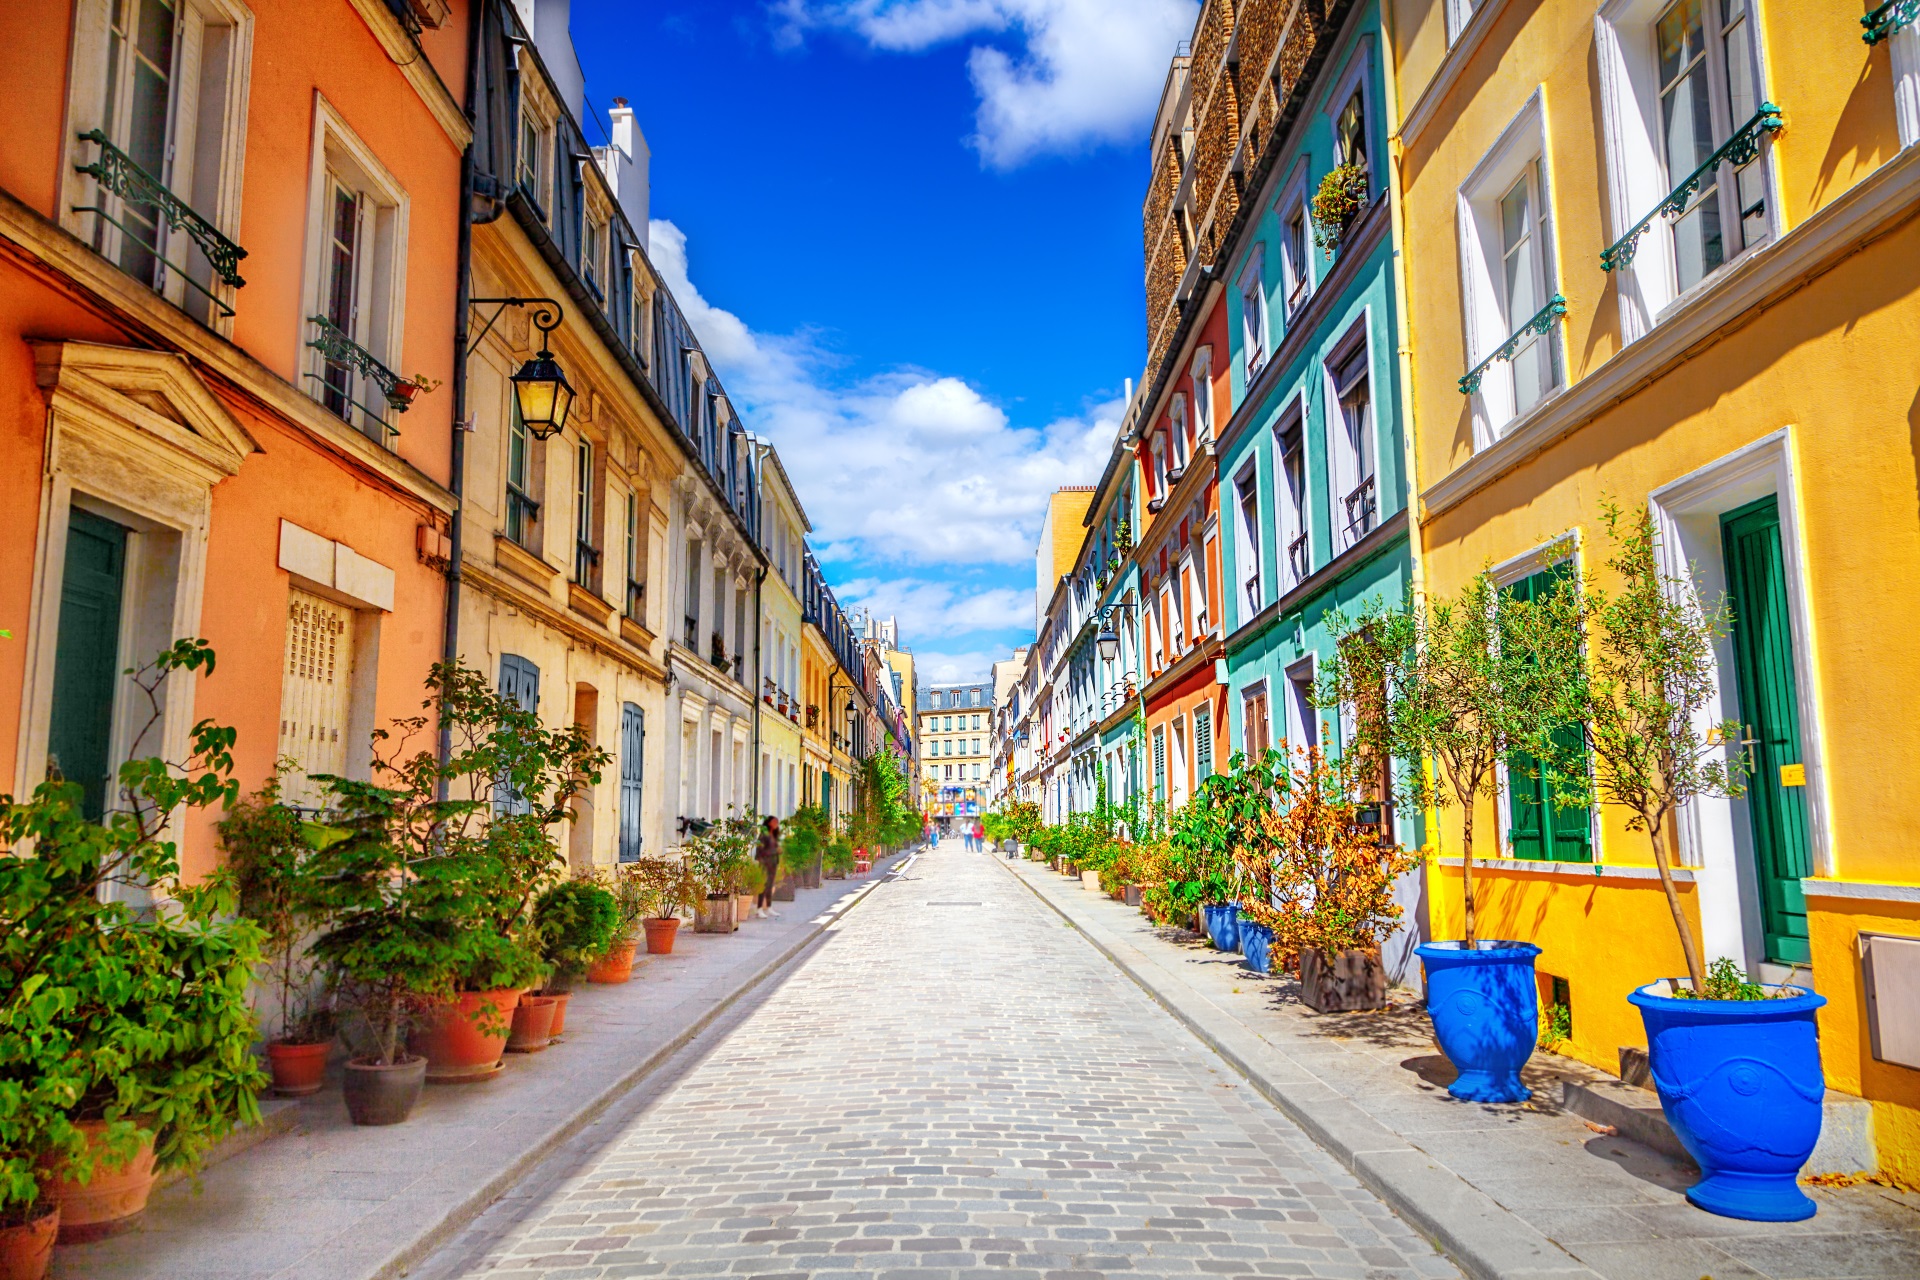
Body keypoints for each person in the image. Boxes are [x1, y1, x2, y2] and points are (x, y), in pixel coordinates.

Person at [754, 815, 782, 918]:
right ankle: (759, 908)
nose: (776, 824)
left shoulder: (773, 834)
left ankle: (769, 907)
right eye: (774, 822)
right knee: (763, 886)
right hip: (765, 864)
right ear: (769, 823)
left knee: (770, 885)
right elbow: (761, 850)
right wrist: (776, 851)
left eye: (777, 822)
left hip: (773, 863)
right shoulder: (764, 835)